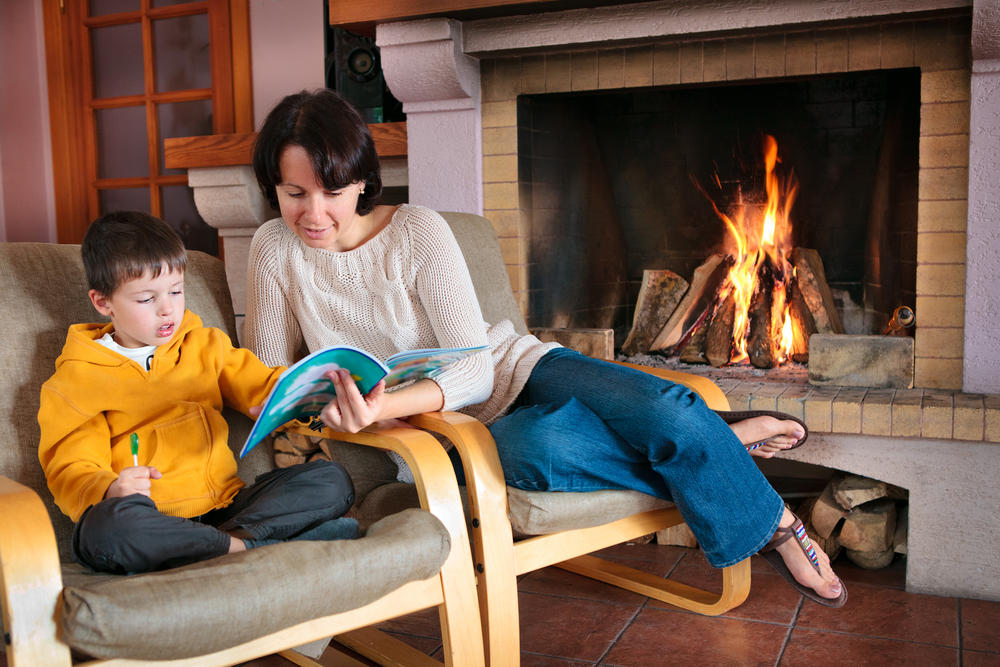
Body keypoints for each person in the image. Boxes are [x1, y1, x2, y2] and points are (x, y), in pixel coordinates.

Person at [245, 89, 846, 607]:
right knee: (544, 448)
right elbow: (265, 374)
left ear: (358, 179)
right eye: (294, 193)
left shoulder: (417, 231)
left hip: (514, 368)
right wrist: (317, 404)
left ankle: (730, 474)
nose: (313, 213)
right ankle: (758, 495)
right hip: (442, 431)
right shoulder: (274, 248)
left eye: (330, 191)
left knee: (666, 407)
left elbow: (477, 368)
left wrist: (379, 405)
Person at [38, 211, 357, 575]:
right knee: (103, 530)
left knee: (331, 480)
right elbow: (71, 466)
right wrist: (110, 488)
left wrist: (306, 389)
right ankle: (253, 549)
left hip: (227, 510)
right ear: (103, 302)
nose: (167, 309)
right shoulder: (78, 379)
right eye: (146, 299)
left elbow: (263, 384)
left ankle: (226, 547)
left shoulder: (205, 345)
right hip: (152, 518)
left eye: (176, 291)